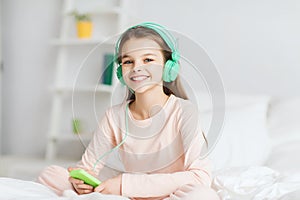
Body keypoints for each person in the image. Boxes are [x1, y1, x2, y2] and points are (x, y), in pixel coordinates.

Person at [38, 22, 220, 200]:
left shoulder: (184, 111)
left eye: (148, 59)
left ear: (168, 66)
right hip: (127, 195)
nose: (136, 68)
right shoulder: (114, 116)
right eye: (128, 61)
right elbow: (87, 167)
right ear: (120, 72)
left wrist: (125, 184)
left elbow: (200, 177)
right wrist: (81, 182)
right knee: (52, 174)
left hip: (170, 195)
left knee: (204, 196)